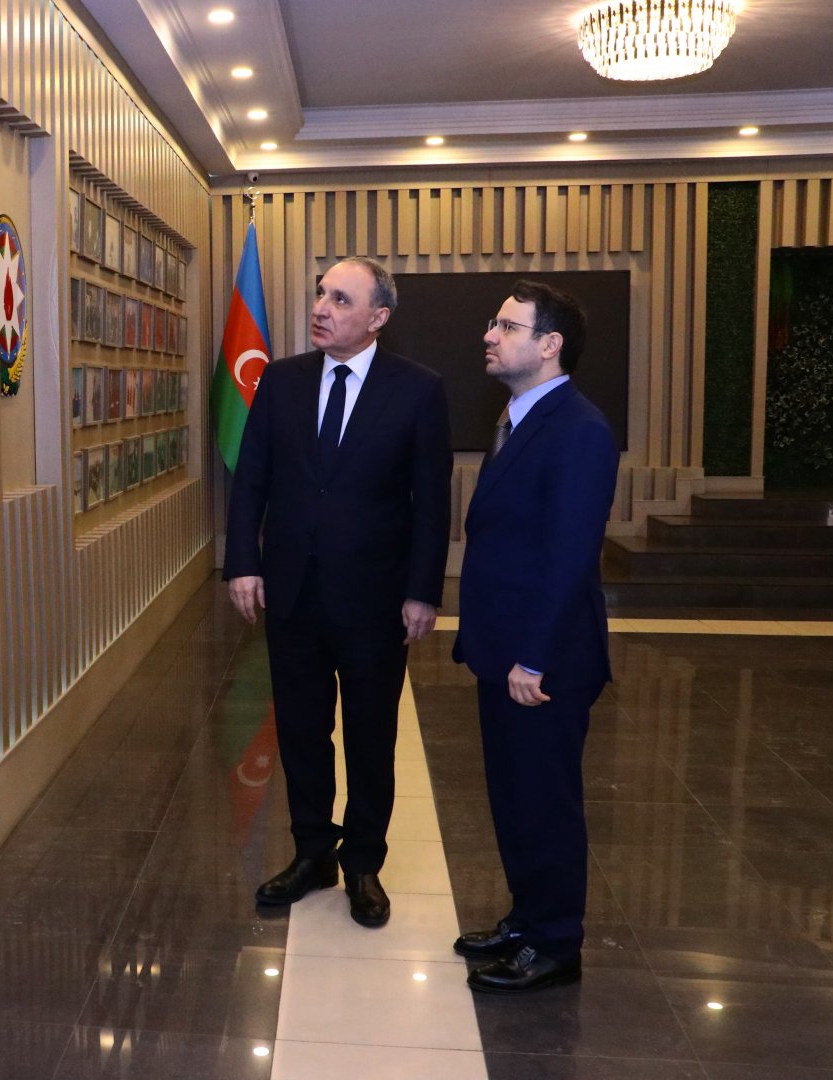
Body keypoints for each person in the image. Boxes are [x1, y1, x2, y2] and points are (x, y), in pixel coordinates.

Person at [224, 256, 451, 925]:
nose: (321, 307)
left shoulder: (418, 390)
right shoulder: (282, 381)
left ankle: (363, 864)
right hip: (292, 592)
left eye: (341, 299)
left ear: (378, 317)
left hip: (376, 600)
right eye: (321, 293)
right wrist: (243, 563)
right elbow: (252, 479)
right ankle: (312, 853)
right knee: (301, 731)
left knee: (371, 737)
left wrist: (422, 591)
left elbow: (431, 503)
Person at [452, 280, 620, 994]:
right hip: (505, 652)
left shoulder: (578, 429)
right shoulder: (519, 418)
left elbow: (569, 555)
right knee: (515, 797)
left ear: (550, 345)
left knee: (545, 804)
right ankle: (526, 920)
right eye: (493, 324)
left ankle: (554, 944)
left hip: (542, 661)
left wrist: (533, 657)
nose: (489, 336)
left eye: (507, 326)